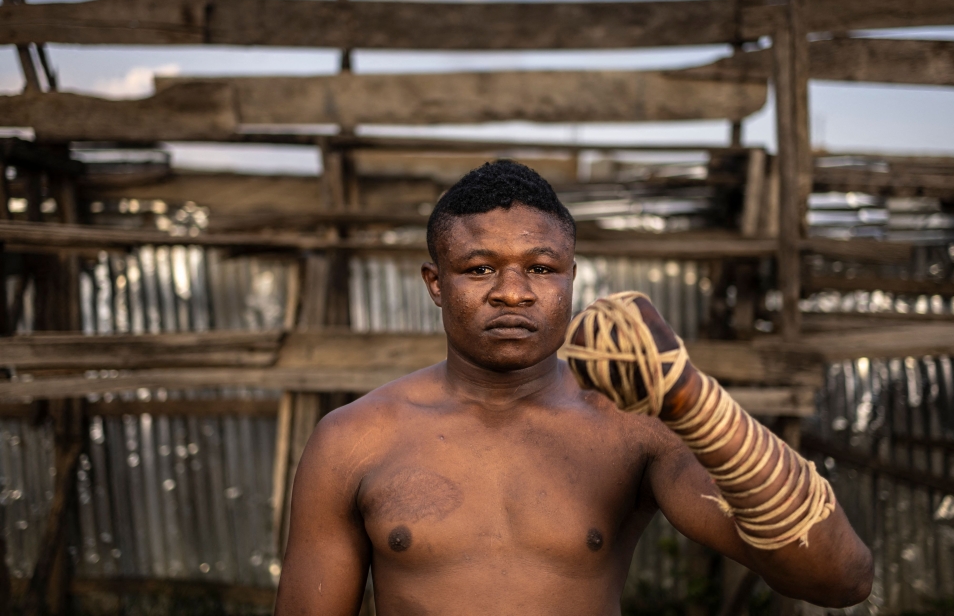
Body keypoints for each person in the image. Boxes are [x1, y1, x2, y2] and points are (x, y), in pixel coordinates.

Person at [274, 160, 872, 616]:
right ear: (436, 282)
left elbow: (840, 578)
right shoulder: (355, 439)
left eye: (541, 268)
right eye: (480, 269)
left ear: (570, 277)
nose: (513, 292)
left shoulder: (632, 429)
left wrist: (697, 403)